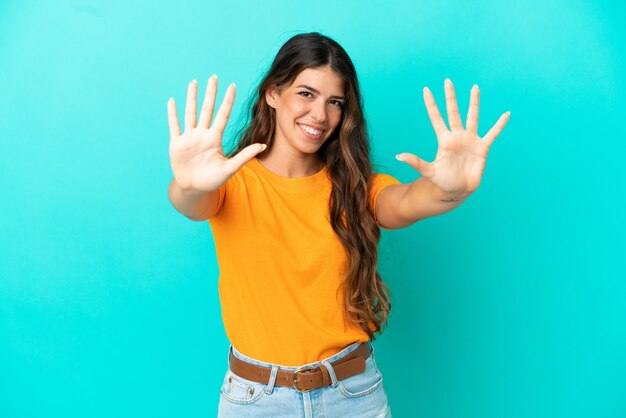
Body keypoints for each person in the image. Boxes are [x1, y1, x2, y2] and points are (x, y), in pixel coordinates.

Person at [166, 32, 509, 417]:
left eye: (335, 102)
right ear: (272, 94)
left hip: (353, 397)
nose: (320, 115)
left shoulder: (355, 188)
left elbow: (409, 202)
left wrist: (452, 189)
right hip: (256, 401)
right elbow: (190, 203)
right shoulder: (229, 183)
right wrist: (189, 184)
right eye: (306, 94)